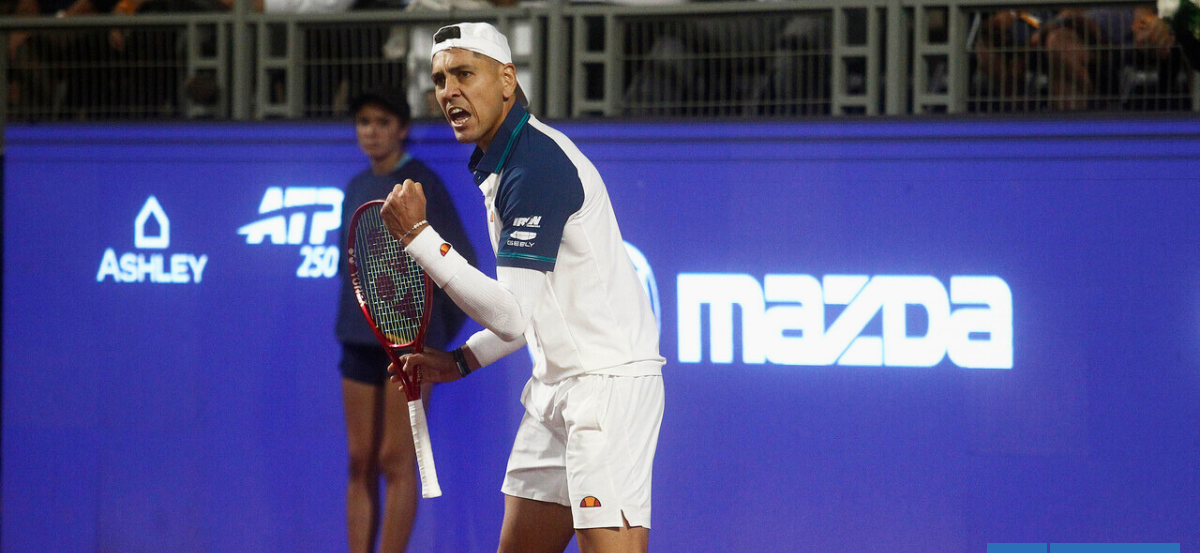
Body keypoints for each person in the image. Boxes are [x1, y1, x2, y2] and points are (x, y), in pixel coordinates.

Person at [380, 22, 666, 553]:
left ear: (507, 80)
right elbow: (527, 315)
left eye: (464, 73)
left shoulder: (535, 166)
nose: (449, 91)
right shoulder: (506, 163)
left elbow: (509, 316)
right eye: (441, 79)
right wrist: (460, 360)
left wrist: (422, 239)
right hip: (554, 390)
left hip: (606, 388)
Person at [334, 85, 476, 553]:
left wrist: (431, 338)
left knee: (396, 460)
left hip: (407, 347)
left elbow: (459, 263)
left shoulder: (422, 186)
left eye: (382, 122)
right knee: (360, 460)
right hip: (358, 342)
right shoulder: (356, 187)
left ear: (402, 129)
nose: (371, 132)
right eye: (363, 123)